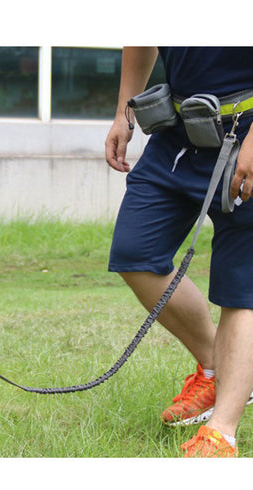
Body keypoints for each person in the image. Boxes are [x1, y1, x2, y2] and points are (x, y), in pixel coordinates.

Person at [105, 46, 253, 457]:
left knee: (241, 285)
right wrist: (124, 112)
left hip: (247, 128)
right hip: (179, 129)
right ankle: (215, 366)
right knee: (136, 251)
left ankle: (222, 432)